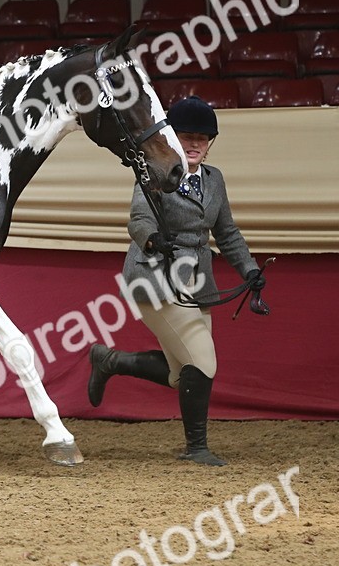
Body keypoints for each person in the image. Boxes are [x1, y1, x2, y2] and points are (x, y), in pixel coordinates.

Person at [87, 96, 265, 466]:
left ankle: (110, 361)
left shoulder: (215, 180)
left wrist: (250, 271)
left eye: (203, 137)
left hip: (197, 282)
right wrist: (153, 240)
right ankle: (195, 447)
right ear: (172, 135)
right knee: (203, 364)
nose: (195, 144)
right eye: (187, 136)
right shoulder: (156, 170)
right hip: (154, 276)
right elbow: (138, 218)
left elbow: (227, 231)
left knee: (180, 374)